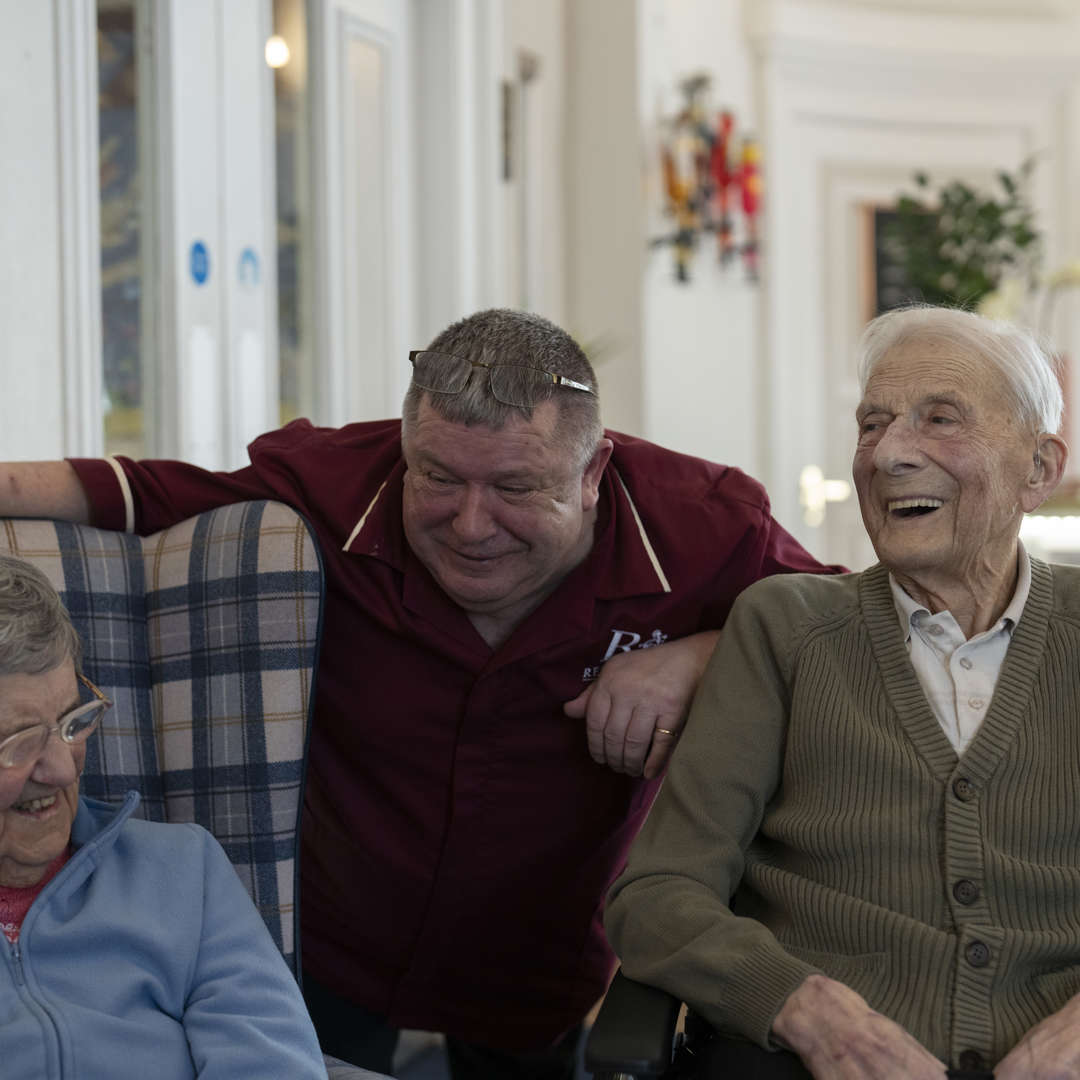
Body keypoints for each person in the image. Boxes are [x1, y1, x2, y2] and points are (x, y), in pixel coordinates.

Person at [0, 309, 835, 1079]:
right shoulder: (336, 483)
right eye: (436, 478)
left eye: (513, 488)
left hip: (540, 964)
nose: (471, 525)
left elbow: (853, 637)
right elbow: (134, 492)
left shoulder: (704, 525)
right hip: (331, 946)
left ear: (593, 472)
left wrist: (705, 656)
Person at [605, 304, 1080, 1080]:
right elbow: (656, 895)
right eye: (872, 424)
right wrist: (807, 1009)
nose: (889, 454)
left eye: (939, 420)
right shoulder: (786, 627)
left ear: (1039, 467)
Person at [0, 553, 332, 1079]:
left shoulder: (184, 871)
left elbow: (273, 1063)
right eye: (21, 743)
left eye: (72, 722)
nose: (63, 770)